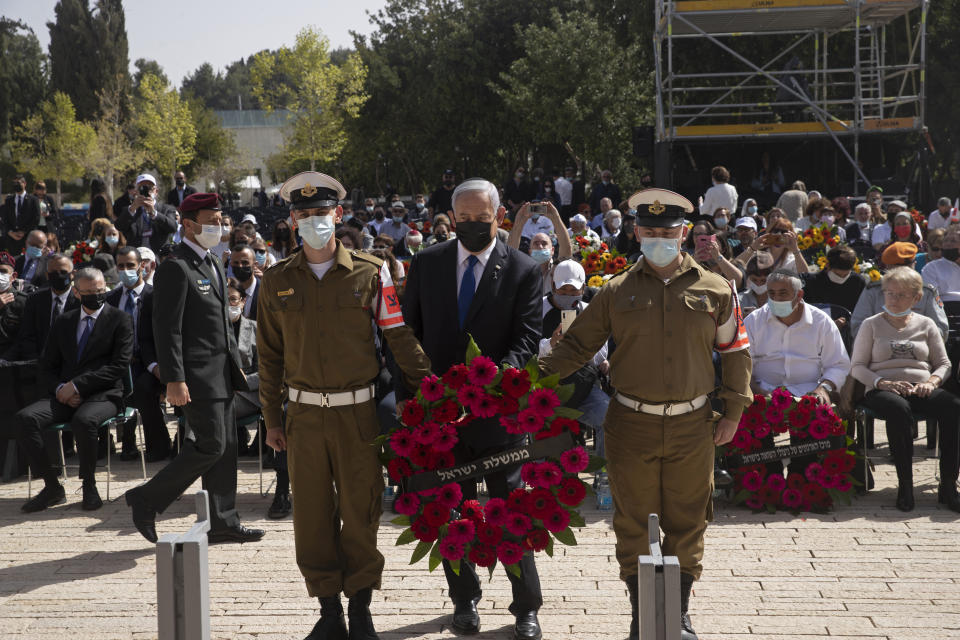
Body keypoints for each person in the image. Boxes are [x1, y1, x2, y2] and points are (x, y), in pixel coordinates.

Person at [538, 188, 752, 640]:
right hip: (630, 423)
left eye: (668, 232)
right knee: (633, 522)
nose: (659, 238)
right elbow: (577, 347)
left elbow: (736, 353)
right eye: (650, 231)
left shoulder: (716, 288)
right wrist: (528, 382)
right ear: (636, 232)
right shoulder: (614, 292)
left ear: (684, 234)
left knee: (688, 520)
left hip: (693, 425)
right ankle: (642, 618)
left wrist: (733, 410)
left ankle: (677, 615)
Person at [257, 172, 431, 640]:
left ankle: (360, 607)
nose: (316, 221)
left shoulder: (370, 272)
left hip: (358, 414)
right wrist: (272, 418)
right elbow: (269, 357)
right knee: (311, 515)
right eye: (306, 214)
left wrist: (432, 388)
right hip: (304, 417)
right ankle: (329, 610)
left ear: (338, 215)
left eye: (323, 213)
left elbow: (397, 336)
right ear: (294, 220)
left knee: (361, 510)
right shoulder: (276, 281)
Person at [401, 178, 543, 640]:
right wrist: (427, 390)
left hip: (497, 414)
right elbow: (410, 331)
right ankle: (464, 599)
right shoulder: (426, 264)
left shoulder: (522, 268)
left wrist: (494, 379)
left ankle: (525, 606)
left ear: (498, 217)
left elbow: (526, 337)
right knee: (451, 511)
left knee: (510, 511)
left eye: (481, 220)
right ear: (452, 217)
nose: (471, 226)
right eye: (463, 219)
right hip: (440, 420)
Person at [124, 193, 264, 546]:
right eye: (211, 220)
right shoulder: (176, 266)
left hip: (222, 374)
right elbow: (167, 328)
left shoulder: (214, 263)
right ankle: (147, 498)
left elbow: (219, 324)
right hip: (196, 377)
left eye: (220, 220)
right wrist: (174, 378)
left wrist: (235, 372)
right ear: (188, 224)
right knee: (210, 445)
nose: (219, 226)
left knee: (226, 447)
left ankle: (223, 521)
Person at [11, 267, 133, 512]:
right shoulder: (64, 322)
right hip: (63, 394)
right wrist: (59, 389)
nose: (95, 296)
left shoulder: (120, 319)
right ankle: (52, 487)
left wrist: (77, 386)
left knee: (84, 421)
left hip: (103, 394)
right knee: (25, 419)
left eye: (99, 291)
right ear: (76, 292)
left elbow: (119, 366)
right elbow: (46, 365)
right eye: (88, 292)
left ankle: (89, 485)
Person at [850, 267, 960, 512]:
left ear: (916, 298)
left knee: (953, 407)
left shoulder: (926, 324)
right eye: (889, 294)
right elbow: (856, 367)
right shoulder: (871, 325)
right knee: (898, 409)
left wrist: (931, 382)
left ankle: (949, 484)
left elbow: (944, 364)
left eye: (901, 295)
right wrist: (882, 382)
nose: (893, 299)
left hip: (920, 387)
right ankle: (905, 485)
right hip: (882, 388)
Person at [743, 270, 850, 474]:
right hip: (763, 390)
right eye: (771, 293)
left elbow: (838, 364)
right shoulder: (754, 321)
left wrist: (823, 389)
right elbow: (742, 363)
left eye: (783, 293)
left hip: (808, 391)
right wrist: (753, 388)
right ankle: (766, 476)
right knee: (754, 417)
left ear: (799, 295)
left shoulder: (821, 322)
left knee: (812, 418)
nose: (775, 299)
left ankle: (801, 475)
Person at [537, 260, 610, 454]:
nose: (568, 295)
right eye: (563, 290)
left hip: (582, 388)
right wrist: (550, 344)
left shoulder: (589, 311)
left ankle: (603, 475)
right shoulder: (537, 310)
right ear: (552, 286)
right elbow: (526, 348)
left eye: (574, 290)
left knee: (611, 418)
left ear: (583, 288)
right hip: (545, 392)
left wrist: (580, 346)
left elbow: (602, 351)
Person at [105, 246, 154, 459]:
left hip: (148, 363)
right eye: (121, 266)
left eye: (131, 266)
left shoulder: (155, 296)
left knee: (143, 389)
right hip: (119, 363)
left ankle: (155, 444)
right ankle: (122, 442)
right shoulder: (112, 298)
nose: (126, 270)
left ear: (142, 266)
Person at [5, 254, 78, 361]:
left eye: (63, 272)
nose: (58, 276)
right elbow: (27, 334)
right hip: (37, 362)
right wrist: (36, 361)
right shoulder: (35, 299)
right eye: (53, 273)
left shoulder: (80, 301)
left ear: (73, 274)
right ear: (47, 275)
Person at [115, 174, 179, 253]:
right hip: (136, 256)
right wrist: (132, 208)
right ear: (136, 192)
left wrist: (154, 213)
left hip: (158, 256)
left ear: (156, 191)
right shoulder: (130, 210)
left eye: (149, 188)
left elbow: (173, 227)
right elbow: (118, 226)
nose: (146, 191)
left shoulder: (166, 209)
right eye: (142, 188)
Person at [801, 245, 866, 315]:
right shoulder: (812, 282)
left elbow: (861, 310)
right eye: (837, 274)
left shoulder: (858, 282)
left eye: (845, 275)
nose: (841, 278)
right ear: (827, 265)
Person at [686, 219, 744, 288]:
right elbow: (684, 283)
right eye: (696, 234)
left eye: (713, 245)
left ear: (723, 249)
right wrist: (694, 263)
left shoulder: (734, 264)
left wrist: (718, 256)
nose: (709, 247)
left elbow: (738, 282)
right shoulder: (695, 262)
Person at [2, 174, 40, 255]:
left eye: (18, 183)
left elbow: (36, 218)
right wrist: (10, 232)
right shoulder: (9, 200)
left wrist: (24, 232)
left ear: (24, 184)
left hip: (27, 237)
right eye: (14, 183)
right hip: (12, 238)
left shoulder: (33, 200)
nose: (16, 185)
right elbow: (5, 218)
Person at [921, 226, 960, 303]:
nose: (948, 244)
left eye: (953, 241)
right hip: (945, 309)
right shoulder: (931, 268)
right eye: (945, 241)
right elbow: (930, 297)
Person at [0, 252, 28, 353]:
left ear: (14, 276)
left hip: (10, 362)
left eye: (2, 271)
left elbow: (24, 339)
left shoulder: (24, 302)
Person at [229, 246, 260, 320]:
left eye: (245, 262)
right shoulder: (224, 291)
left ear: (255, 265)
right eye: (236, 263)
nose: (240, 266)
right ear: (231, 265)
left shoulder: (266, 291)